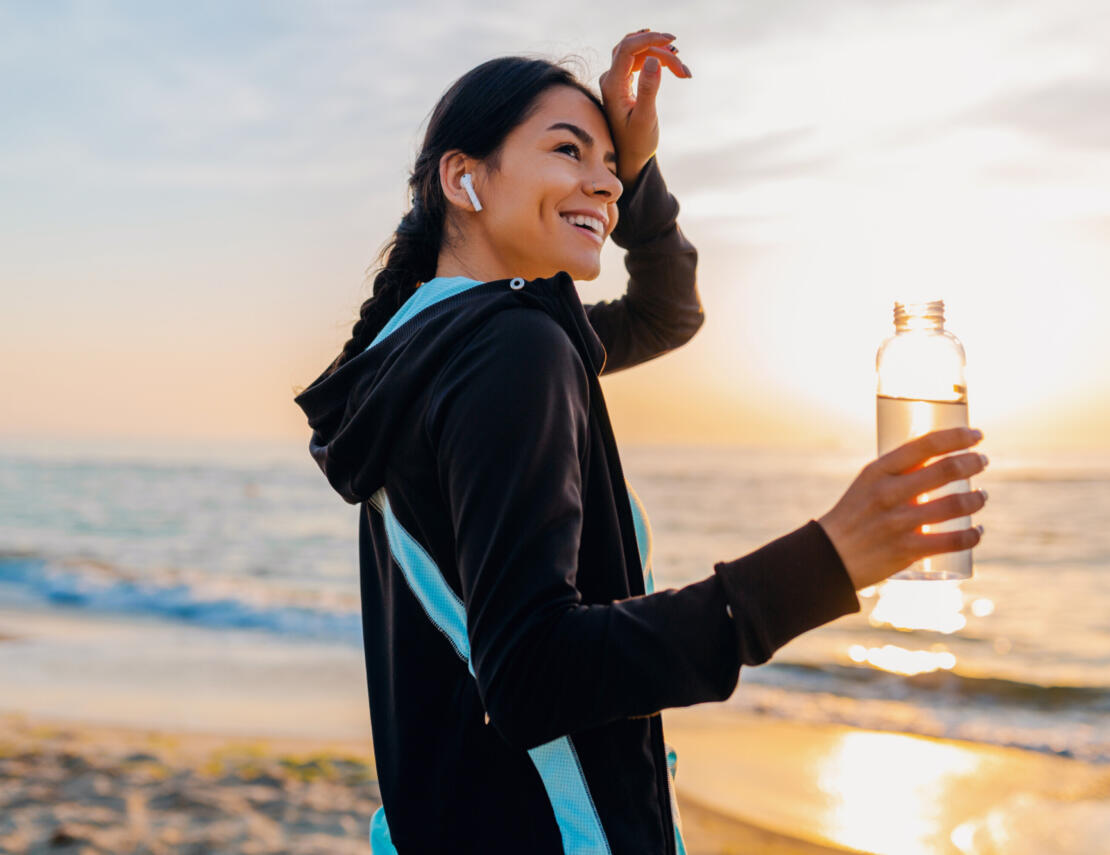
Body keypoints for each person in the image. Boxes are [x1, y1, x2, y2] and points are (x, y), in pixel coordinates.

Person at [293, 29, 988, 855]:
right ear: (463, 177)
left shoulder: (421, 350)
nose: (605, 183)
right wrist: (824, 561)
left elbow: (666, 312)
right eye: (568, 150)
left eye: (611, 165)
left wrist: (642, 164)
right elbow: (534, 672)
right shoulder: (510, 347)